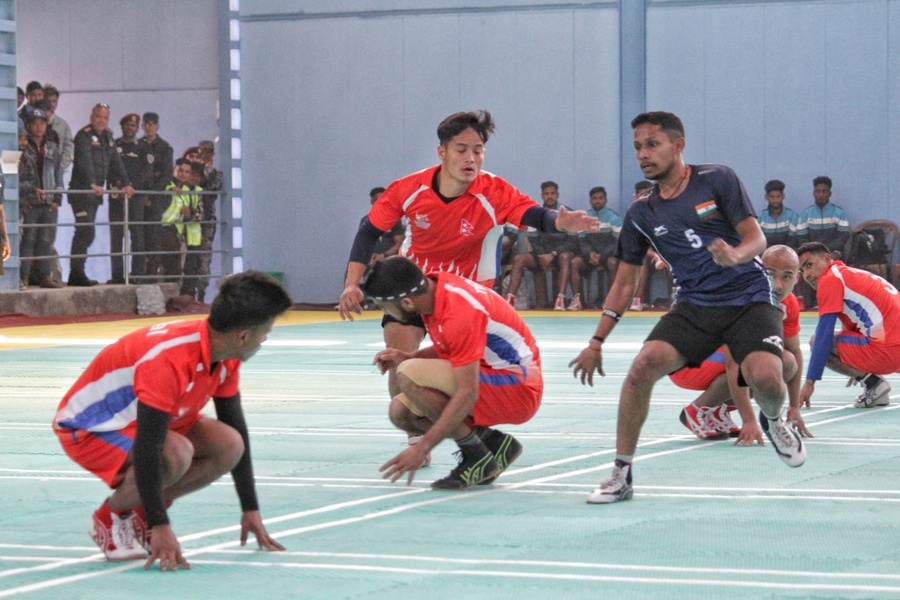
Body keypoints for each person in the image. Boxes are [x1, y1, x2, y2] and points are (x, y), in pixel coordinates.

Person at [569, 111, 806, 505]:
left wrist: (735, 256)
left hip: (748, 296)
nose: (643, 154)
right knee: (643, 367)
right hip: (696, 304)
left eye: (652, 144)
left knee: (766, 378)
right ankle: (621, 473)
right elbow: (625, 282)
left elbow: (756, 238)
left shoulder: (717, 179)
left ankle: (775, 420)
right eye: (638, 147)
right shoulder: (641, 214)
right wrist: (596, 341)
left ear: (678, 146)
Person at [338, 110, 596, 458]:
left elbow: (534, 215)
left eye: (478, 150)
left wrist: (559, 222)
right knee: (399, 369)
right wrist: (352, 284)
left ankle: (476, 442)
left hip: (467, 302)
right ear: (441, 152)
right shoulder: (410, 189)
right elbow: (369, 229)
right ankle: (420, 436)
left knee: (464, 379)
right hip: (415, 291)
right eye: (461, 149)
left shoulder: (494, 191)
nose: (470, 158)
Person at [53, 271, 292, 570]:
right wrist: (161, 526)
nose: (266, 338)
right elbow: (149, 447)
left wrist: (250, 508)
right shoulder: (169, 359)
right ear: (243, 335)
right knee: (177, 453)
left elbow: (235, 425)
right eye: (266, 330)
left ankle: (142, 508)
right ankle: (112, 515)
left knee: (230, 444)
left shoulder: (226, 354)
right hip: (92, 428)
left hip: (147, 425)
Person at [362, 256, 542, 489]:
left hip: (518, 389)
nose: (387, 314)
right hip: (497, 377)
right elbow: (454, 347)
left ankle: (477, 455)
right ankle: (493, 444)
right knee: (401, 412)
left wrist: (422, 447)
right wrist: (410, 356)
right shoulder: (434, 292)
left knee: (407, 374)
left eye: (385, 308)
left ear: (407, 303)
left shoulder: (459, 311)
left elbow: (468, 393)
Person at [671, 245, 813, 443]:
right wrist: (749, 420)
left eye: (787, 276)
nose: (779, 285)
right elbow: (734, 363)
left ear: (797, 278)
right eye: (771, 275)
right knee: (756, 360)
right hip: (687, 361)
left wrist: (794, 407)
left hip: (716, 358)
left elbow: (794, 351)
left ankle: (720, 410)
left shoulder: (788, 303)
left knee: (786, 363)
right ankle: (696, 411)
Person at [797, 242, 900, 409]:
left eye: (809, 265)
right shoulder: (848, 274)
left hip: (888, 350)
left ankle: (873, 383)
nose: (807, 274)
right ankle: (871, 382)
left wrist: (810, 382)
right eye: (802, 270)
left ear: (827, 258)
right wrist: (856, 362)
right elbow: (855, 319)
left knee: (816, 341)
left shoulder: (829, 280)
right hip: (895, 348)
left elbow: (823, 335)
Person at [67, 103, 134, 286]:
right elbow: (84, 161)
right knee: (85, 231)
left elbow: (116, 163)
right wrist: (91, 183)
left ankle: (77, 273)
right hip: (81, 193)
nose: (102, 121)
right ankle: (76, 274)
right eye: (98, 117)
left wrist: (127, 184)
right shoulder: (84, 136)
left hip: (95, 195)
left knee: (87, 232)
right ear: (91, 117)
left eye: (105, 118)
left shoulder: (108, 138)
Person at [506, 181, 579, 310]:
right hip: (541, 255)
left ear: (557, 195)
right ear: (542, 196)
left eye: (552, 193)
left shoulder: (567, 213)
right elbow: (533, 240)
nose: (549, 196)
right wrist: (542, 256)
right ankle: (510, 299)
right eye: (546, 194)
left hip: (559, 255)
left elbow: (572, 242)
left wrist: (552, 254)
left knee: (566, 257)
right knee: (519, 259)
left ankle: (560, 300)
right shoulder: (536, 213)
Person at [18, 107, 65, 289]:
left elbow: (58, 175)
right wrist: (25, 198)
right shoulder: (23, 147)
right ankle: (24, 276)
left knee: (46, 240)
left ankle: (46, 276)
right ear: (29, 125)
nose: (39, 127)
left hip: (48, 202)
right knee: (28, 240)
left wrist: (57, 199)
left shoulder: (52, 148)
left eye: (42, 123)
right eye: (35, 124)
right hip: (30, 202)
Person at [794, 176, 851, 308]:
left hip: (833, 252)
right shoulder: (805, 214)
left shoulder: (839, 212)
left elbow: (843, 237)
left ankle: (832, 299)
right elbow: (801, 238)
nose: (821, 194)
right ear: (814, 193)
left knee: (827, 261)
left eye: (824, 191)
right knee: (810, 262)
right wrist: (814, 252)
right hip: (811, 253)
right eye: (818, 191)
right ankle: (812, 301)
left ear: (829, 193)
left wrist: (824, 251)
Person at [110, 113, 149, 283]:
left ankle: (137, 274)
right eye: (127, 125)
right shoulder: (115, 145)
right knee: (116, 237)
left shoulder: (143, 147)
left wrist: (132, 186)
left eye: (133, 126)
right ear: (122, 127)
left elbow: (147, 172)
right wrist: (116, 185)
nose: (130, 128)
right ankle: (117, 276)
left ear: (137, 128)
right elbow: (108, 167)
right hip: (117, 197)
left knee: (138, 237)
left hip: (136, 198)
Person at [572, 186, 623, 307]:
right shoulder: (583, 218)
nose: (597, 201)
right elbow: (581, 241)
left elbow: (617, 242)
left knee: (613, 262)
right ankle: (578, 300)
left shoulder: (614, 218)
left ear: (605, 200)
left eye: (600, 198)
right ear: (590, 201)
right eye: (594, 198)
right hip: (588, 256)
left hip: (607, 256)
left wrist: (601, 256)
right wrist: (590, 254)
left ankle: (611, 300)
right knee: (575, 262)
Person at [140, 112, 175, 281]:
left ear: (157, 127)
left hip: (156, 198)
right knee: (139, 236)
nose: (149, 127)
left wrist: (151, 195)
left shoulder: (165, 148)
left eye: (152, 124)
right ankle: (139, 272)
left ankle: (151, 274)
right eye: (146, 124)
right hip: (139, 198)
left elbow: (167, 175)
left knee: (154, 236)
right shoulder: (137, 145)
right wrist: (142, 195)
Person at [160, 159, 199, 282]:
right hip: (163, 229)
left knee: (175, 270)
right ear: (174, 170)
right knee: (170, 268)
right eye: (180, 170)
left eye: (187, 172)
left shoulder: (186, 191)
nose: (183, 174)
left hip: (176, 232)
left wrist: (187, 214)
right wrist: (171, 190)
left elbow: (187, 213)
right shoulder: (166, 184)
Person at [196, 140, 224, 301]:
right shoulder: (192, 170)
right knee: (189, 258)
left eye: (208, 152)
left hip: (207, 219)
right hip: (191, 220)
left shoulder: (216, 173)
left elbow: (209, 187)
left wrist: (201, 170)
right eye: (201, 151)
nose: (204, 155)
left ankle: (201, 294)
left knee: (204, 258)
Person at [364, 186, 404, 265]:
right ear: (373, 202)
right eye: (379, 200)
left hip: (390, 261)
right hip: (371, 260)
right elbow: (363, 243)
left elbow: (399, 243)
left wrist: (384, 255)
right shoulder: (365, 221)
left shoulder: (394, 219)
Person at [41, 84, 75, 172]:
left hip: (56, 170)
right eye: (48, 101)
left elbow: (68, 148)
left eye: (54, 101)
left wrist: (60, 167)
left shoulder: (63, 125)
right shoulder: (33, 121)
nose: (51, 104)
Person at [757, 179, 799, 248]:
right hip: (765, 255)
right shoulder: (760, 218)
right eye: (772, 197)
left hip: (787, 254)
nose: (775, 200)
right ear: (766, 197)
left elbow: (792, 241)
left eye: (778, 196)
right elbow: (759, 242)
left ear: (783, 196)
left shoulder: (792, 216)